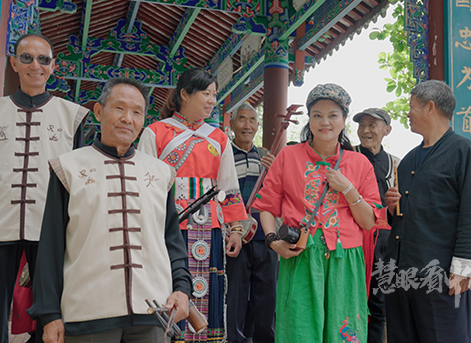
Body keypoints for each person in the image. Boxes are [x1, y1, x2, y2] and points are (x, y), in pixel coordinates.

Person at [27, 77, 191, 343]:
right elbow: (50, 247)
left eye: (137, 112)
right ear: (99, 111)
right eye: (119, 108)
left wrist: (182, 288)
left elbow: (172, 240)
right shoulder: (68, 168)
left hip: (152, 312)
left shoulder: (161, 174)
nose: (128, 118)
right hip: (88, 314)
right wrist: (48, 313)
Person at [0, 33, 89, 343]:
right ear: (14, 63)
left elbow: (78, 182)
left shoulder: (72, 116)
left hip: (50, 227)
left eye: (43, 59)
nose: (35, 65)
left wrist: (77, 230)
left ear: (53, 66)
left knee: (51, 309)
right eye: (27, 58)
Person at [254, 84, 381, 343]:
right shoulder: (288, 156)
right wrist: (272, 241)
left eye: (333, 115)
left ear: (344, 120)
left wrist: (347, 188)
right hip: (300, 256)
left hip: (345, 259)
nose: (325, 122)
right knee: (298, 332)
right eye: (317, 115)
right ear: (309, 120)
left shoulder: (360, 163)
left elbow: (369, 222)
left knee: (344, 333)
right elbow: (266, 207)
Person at [138, 67, 248, 342]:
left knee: (208, 289)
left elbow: (229, 187)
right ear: (184, 94)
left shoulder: (220, 138)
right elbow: (143, 185)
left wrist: (235, 228)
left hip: (210, 226)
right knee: (168, 284)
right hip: (167, 225)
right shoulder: (155, 132)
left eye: (214, 94)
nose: (212, 100)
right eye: (205, 93)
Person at [383, 80, 471, 343]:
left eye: (411, 106)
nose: (407, 113)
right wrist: (393, 210)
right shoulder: (406, 162)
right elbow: (405, 217)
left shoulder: (464, 152)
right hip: (401, 275)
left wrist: (463, 269)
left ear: (430, 107)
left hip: (441, 277)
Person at [226, 102, 277, 343]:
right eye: (242, 120)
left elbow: (278, 194)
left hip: (264, 236)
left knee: (267, 294)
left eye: (252, 120)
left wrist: (276, 171)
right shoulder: (224, 156)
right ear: (232, 124)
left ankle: (265, 339)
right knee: (235, 293)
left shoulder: (266, 156)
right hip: (235, 235)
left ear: (258, 125)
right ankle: (235, 339)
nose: (248, 125)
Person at [352, 108, 400, 343]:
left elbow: (401, 213)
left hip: (384, 242)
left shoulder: (396, 164)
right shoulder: (347, 156)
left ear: (387, 130)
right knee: (350, 300)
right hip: (352, 238)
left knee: (378, 303)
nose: (365, 130)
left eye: (372, 125)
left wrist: (394, 208)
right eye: (362, 125)